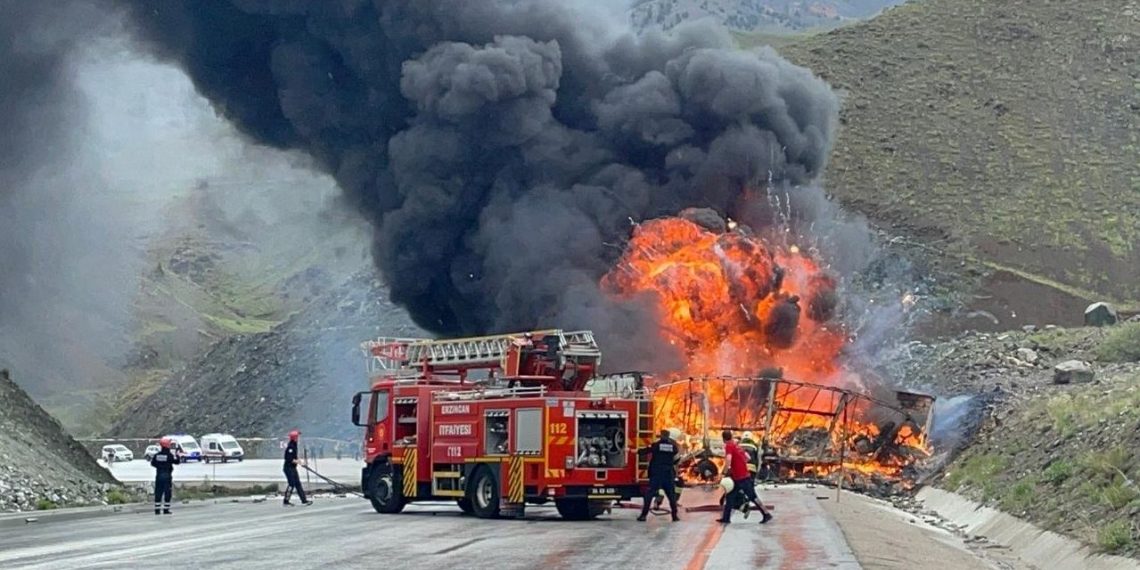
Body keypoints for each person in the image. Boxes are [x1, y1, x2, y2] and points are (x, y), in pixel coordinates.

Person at [717, 430, 772, 524]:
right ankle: (726, 518)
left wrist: (724, 472)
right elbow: (748, 457)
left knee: (753, 497)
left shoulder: (729, 446)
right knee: (730, 496)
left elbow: (728, 460)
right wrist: (741, 464)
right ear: (731, 436)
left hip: (742, 478)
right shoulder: (736, 445)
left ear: (723, 439)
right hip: (739, 476)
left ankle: (766, 514)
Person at [637, 429, 680, 522]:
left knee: (649, 494)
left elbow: (645, 451)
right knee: (671, 496)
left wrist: (637, 451)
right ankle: (674, 516)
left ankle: (643, 515)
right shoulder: (673, 447)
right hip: (668, 474)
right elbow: (677, 460)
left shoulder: (656, 445)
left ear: (661, 436)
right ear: (668, 436)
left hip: (657, 474)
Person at [150, 437, 180, 515]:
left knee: (158, 492)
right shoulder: (169, 455)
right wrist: (178, 455)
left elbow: (153, 463)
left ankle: (157, 510)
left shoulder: (157, 455)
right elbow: (176, 462)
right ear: (167, 445)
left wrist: (159, 466)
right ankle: (166, 510)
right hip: (167, 476)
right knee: (167, 493)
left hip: (159, 476)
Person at [283, 429, 312, 506]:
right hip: (288, 468)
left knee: (298, 484)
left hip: (293, 468)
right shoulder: (291, 447)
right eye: (297, 436)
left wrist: (301, 462)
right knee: (291, 484)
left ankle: (304, 500)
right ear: (294, 437)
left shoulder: (294, 445)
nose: (298, 438)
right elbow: (289, 459)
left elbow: (295, 457)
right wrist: (298, 462)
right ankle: (286, 501)